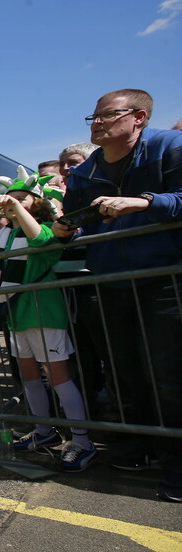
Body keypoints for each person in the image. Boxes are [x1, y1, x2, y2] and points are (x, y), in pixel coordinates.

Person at [53, 89, 182, 501]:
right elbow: (76, 221)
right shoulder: (87, 171)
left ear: (139, 117)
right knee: (126, 373)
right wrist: (64, 230)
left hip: (165, 280)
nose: (97, 123)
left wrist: (144, 202)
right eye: (92, 117)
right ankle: (141, 446)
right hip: (109, 282)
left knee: (169, 375)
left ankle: (178, 462)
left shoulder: (170, 147)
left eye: (107, 116)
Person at [0, 170, 98, 472]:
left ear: (36, 203)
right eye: (11, 202)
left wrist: (16, 206)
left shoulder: (49, 227)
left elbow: (39, 241)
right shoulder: (3, 236)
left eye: (22, 200)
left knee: (58, 376)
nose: (13, 205)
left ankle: (82, 441)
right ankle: (45, 432)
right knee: (29, 376)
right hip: (16, 314)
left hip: (44, 312)